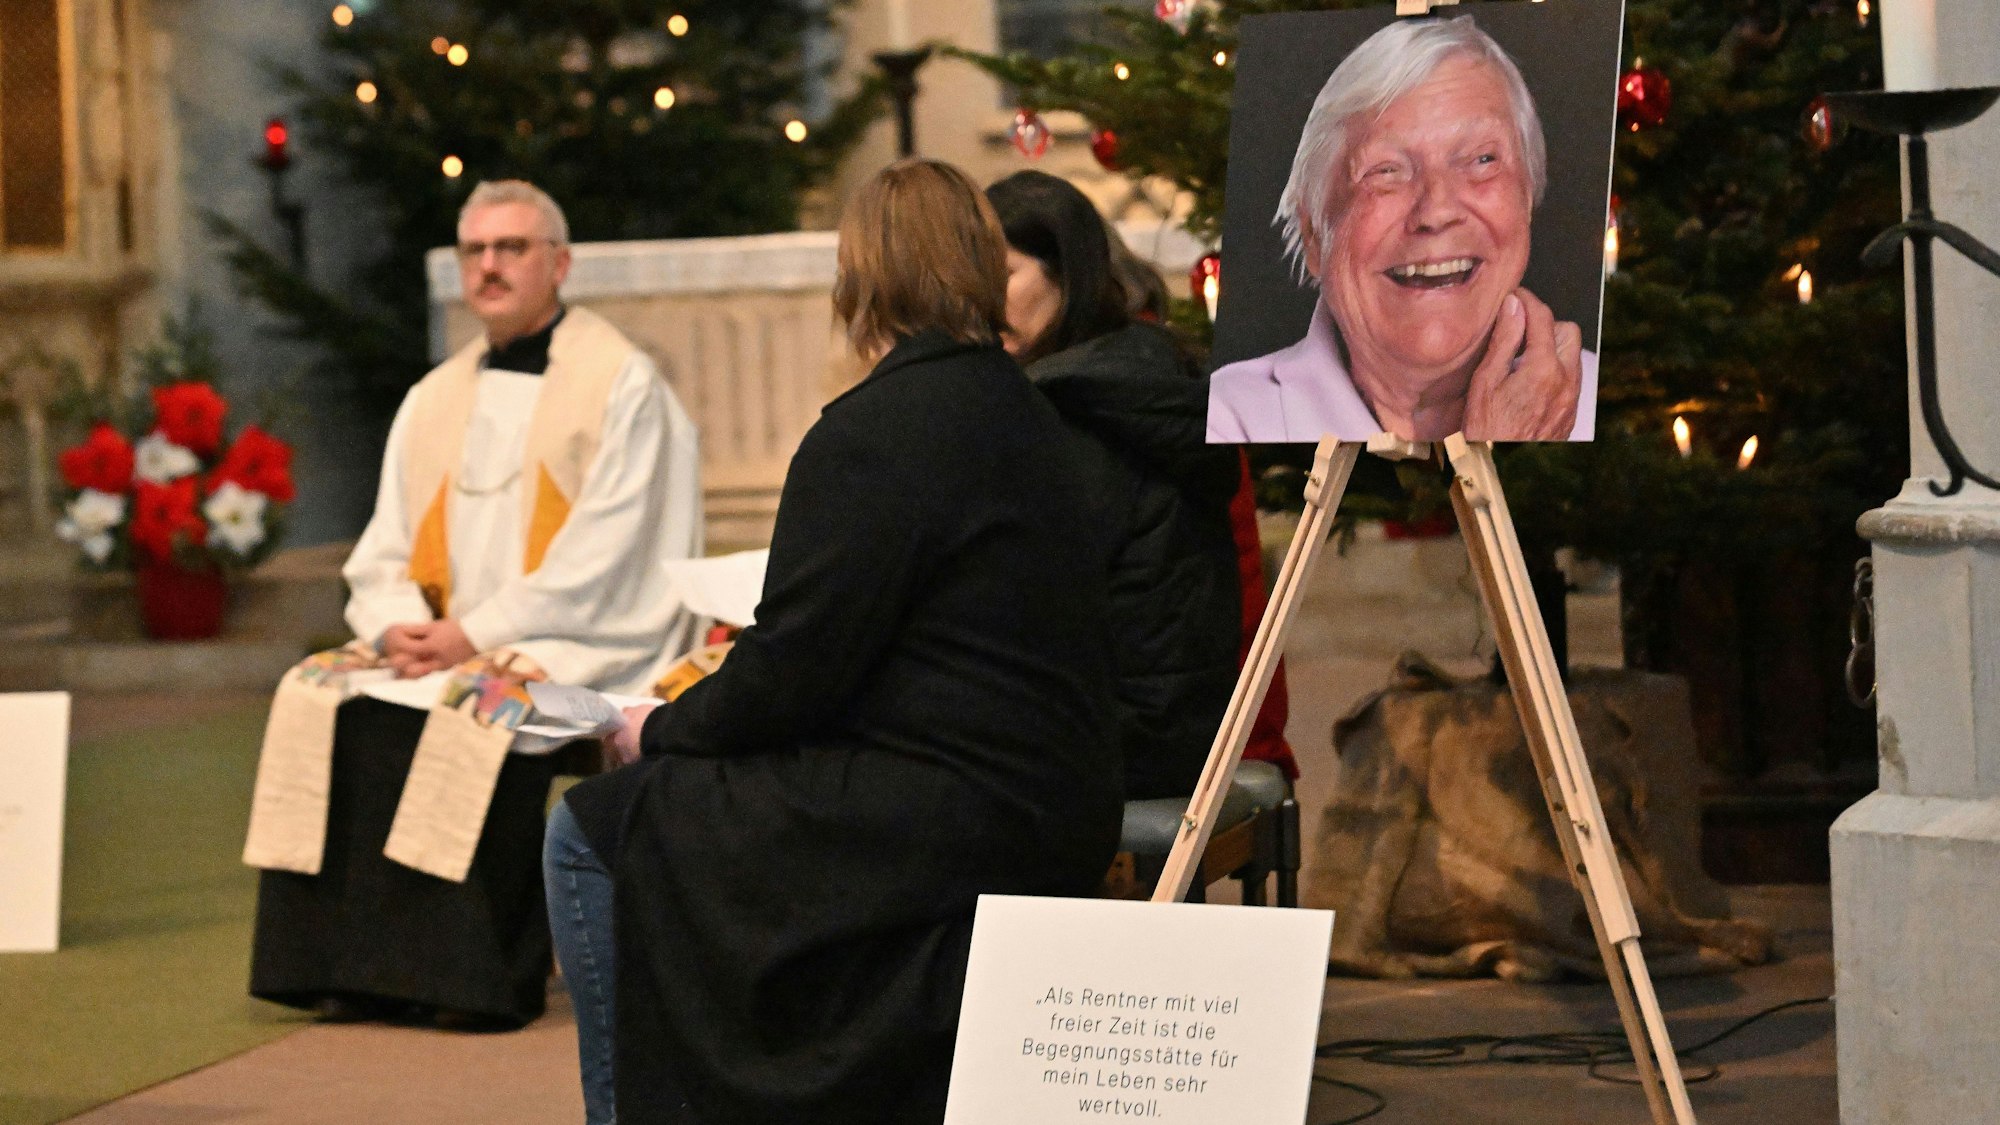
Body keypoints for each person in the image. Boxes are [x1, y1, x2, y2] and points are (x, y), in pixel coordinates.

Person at [553, 158, 1123, 1125]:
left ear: (862, 280)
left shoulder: (873, 430)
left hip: (956, 805)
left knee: (599, 826)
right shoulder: (1031, 410)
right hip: (1059, 791)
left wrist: (659, 729)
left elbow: (793, 674)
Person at [242, 179, 702, 1029]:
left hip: (583, 637)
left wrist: (472, 635)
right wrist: (393, 625)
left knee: (476, 707)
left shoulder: (620, 384)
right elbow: (381, 544)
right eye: (476, 251)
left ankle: (465, 978)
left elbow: (606, 556)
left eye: (512, 248)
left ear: (558, 263)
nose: (490, 267)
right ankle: (344, 970)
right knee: (321, 693)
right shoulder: (434, 396)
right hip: (443, 637)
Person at [1208, 15, 1596, 444]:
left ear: (1526, 201)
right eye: (1385, 171)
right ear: (1315, 235)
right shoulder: (1227, 416)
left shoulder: (1609, 400)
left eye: (1482, 160)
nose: (1436, 211)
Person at [984, 169, 1246, 798]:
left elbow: (1029, 600)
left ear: (1066, 276)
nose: (984, 303)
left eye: (1005, 276)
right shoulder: (1136, 373)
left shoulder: (1073, 406)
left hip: (1130, 742)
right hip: (1170, 723)